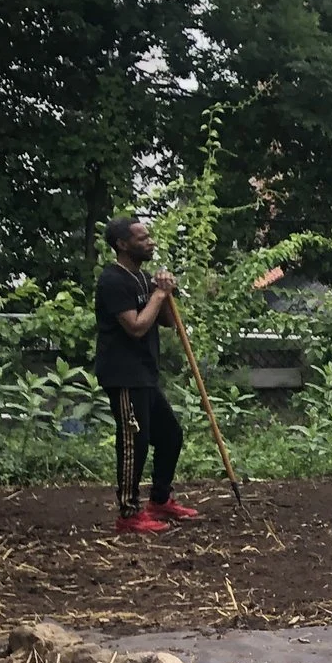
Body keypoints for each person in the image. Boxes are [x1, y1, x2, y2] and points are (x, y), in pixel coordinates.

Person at [93, 216, 198, 534]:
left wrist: (165, 293)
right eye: (142, 238)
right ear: (123, 244)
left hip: (145, 374)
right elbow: (136, 327)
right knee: (133, 443)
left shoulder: (143, 278)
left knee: (170, 435)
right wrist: (157, 295)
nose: (150, 242)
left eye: (150, 236)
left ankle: (160, 500)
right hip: (123, 375)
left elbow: (165, 321)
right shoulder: (113, 281)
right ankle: (128, 514)